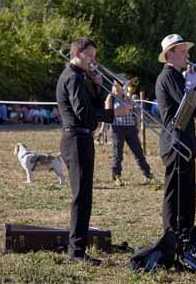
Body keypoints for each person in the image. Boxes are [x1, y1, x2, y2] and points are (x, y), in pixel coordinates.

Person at [56, 37, 130, 265]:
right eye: (90, 56)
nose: (93, 62)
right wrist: (115, 114)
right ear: (77, 53)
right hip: (76, 139)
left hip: (81, 138)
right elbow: (84, 115)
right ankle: (76, 252)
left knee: (85, 195)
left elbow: (91, 108)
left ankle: (77, 247)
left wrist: (98, 87)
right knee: (81, 197)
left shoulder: (80, 77)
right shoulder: (72, 78)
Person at [155, 34, 196, 239]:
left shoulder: (177, 76)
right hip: (175, 142)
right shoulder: (168, 75)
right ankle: (172, 236)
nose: (187, 55)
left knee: (187, 194)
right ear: (169, 54)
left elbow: (194, 110)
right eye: (182, 51)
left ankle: (185, 235)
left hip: (184, 141)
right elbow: (184, 101)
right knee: (176, 194)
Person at [105, 78, 153, 185]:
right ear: (113, 87)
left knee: (138, 152)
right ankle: (116, 176)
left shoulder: (127, 97)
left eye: (121, 85)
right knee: (117, 154)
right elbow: (109, 113)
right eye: (116, 85)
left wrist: (127, 98)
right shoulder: (110, 98)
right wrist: (121, 110)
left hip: (130, 127)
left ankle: (148, 174)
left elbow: (131, 107)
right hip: (117, 128)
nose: (119, 87)